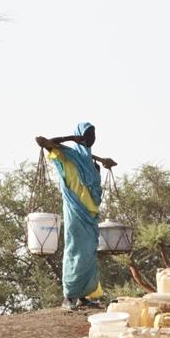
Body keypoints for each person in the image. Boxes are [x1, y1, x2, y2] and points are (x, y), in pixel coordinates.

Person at [35, 122, 116, 311]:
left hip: (91, 215)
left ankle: (84, 295)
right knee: (75, 252)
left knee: (88, 254)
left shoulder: (88, 161)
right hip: (75, 211)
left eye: (94, 134)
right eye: (88, 133)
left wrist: (103, 162)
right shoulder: (67, 155)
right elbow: (42, 141)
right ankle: (69, 296)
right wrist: (71, 139)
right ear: (80, 135)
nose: (92, 137)